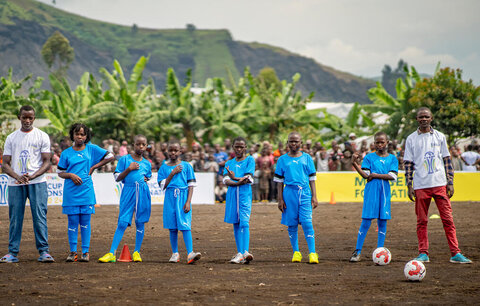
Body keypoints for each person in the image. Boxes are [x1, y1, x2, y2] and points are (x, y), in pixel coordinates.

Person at [404, 107, 472, 264]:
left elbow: (447, 160)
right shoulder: (411, 139)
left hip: (440, 184)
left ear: (431, 118)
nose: (423, 119)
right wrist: (409, 184)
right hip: (421, 185)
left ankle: (455, 253)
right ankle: (423, 253)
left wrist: (450, 182)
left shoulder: (440, 137)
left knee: (448, 219)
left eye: (426, 117)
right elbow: (408, 164)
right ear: (416, 119)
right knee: (422, 221)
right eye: (420, 117)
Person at [0, 106, 54, 263]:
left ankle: (44, 251)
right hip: (15, 183)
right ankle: (12, 252)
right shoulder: (11, 138)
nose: (27, 121)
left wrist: (33, 175)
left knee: (39, 216)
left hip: (37, 182)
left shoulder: (42, 136)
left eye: (30, 118)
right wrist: (18, 176)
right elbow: (5, 164)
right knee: (15, 218)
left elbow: (47, 161)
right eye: (24, 117)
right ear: (19, 117)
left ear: (34, 119)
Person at [57, 123, 114, 262]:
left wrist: (94, 166)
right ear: (73, 135)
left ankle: (85, 252)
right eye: (77, 134)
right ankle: (72, 252)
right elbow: (59, 172)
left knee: (85, 223)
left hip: (86, 191)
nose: (80, 137)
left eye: (83, 134)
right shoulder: (66, 153)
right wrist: (70, 175)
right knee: (72, 222)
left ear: (87, 136)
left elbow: (111, 156)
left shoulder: (92, 149)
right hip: (71, 193)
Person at [99, 135, 152, 263]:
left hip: (142, 192)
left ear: (146, 146)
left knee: (140, 222)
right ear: (133, 145)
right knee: (122, 222)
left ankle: (136, 252)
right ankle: (112, 253)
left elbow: (147, 176)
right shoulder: (124, 159)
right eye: (138, 144)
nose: (140, 146)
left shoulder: (146, 163)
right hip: (128, 191)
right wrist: (129, 169)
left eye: (143, 144)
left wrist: (145, 179)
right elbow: (117, 177)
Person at [349, 132, 398, 262]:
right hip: (371, 192)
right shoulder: (369, 157)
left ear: (387, 143)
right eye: (377, 142)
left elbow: (392, 177)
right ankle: (357, 251)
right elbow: (366, 175)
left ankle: (379, 252)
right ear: (374, 143)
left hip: (385, 193)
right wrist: (354, 164)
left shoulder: (392, 158)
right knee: (366, 220)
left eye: (382, 142)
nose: (379, 144)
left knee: (382, 221)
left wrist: (374, 175)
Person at [274, 132, 319, 264]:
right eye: (291, 141)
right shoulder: (282, 160)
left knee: (306, 222)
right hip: (289, 193)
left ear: (301, 143)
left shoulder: (307, 158)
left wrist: (314, 196)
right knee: (291, 224)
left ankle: (312, 253)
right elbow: (279, 181)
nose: (293, 144)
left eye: (296, 141)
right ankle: (296, 252)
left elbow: (312, 179)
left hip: (304, 193)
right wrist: (280, 199)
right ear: (287, 143)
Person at [158, 141, 201, 264]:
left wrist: (188, 201)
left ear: (180, 152)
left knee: (185, 225)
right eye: (170, 150)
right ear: (167, 151)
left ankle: (190, 253)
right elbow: (162, 186)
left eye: (175, 150)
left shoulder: (187, 166)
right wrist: (172, 173)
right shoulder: (164, 168)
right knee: (172, 227)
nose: (172, 153)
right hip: (170, 197)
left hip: (183, 197)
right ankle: (175, 253)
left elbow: (191, 185)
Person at [223, 137, 255, 264]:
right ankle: (240, 252)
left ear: (246, 147)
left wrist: (234, 178)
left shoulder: (249, 160)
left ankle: (244, 251)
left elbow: (248, 178)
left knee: (244, 222)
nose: (239, 149)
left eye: (241, 147)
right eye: (237, 146)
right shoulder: (229, 163)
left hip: (244, 195)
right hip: (232, 196)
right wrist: (237, 182)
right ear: (233, 147)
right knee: (236, 223)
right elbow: (225, 180)